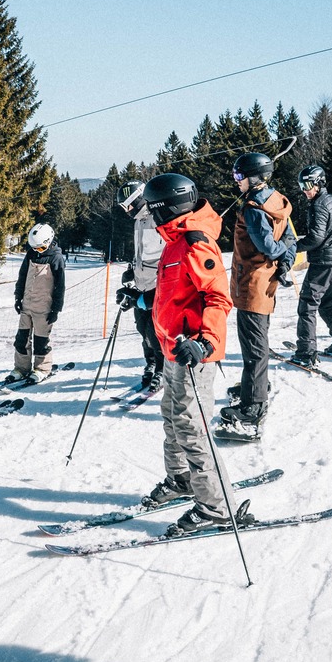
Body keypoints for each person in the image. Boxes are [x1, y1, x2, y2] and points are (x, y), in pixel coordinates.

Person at [138, 174, 243, 533]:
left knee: (192, 429)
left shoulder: (196, 242)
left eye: (153, 211)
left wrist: (205, 342)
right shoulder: (173, 241)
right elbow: (175, 294)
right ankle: (182, 479)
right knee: (172, 419)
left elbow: (218, 298)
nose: (150, 218)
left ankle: (216, 506)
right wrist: (140, 299)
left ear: (168, 208)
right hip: (172, 351)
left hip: (193, 353)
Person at [218, 152, 295, 441]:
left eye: (240, 177)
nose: (236, 182)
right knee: (257, 340)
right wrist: (285, 259)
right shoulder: (277, 200)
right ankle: (255, 387)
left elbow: (268, 245)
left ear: (255, 178)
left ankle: (254, 405)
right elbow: (288, 238)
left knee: (253, 346)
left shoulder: (253, 208)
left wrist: (278, 254)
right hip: (264, 282)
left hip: (252, 283)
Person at [289, 164, 332, 367]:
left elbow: (316, 237)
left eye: (307, 184)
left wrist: (294, 247)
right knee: (328, 302)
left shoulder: (319, 205)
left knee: (307, 305)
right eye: (301, 185)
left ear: (318, 183)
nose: (304, 190)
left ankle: (306, 352)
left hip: (324, 261)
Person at [116, 181, 166, 392]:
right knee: (142, 328)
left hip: (158, 283)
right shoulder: (139, 221)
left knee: (155, 331)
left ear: (139, 199)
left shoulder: (158, 218)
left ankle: (163, 369)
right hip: (141, 281)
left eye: (128, 206)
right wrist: (132, 270)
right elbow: (141, 252)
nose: (127, 211)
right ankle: (151, 362)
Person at [7, 223, 66, 385]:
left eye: (40, 248)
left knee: (41, 341)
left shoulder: (56, 258)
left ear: (49, 241)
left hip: (44, 308)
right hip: (27, 305)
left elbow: (60, 286)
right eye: (35, 248)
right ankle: (21, 368)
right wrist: (18, 298)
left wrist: (56, 309)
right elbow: (22, 276)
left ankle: (42, 368)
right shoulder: (31, 254)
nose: (37, 251)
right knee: (21, 339)